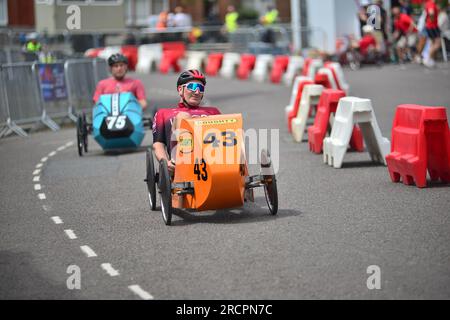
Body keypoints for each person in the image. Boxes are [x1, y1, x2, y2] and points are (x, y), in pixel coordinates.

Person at [152, 70, 221, 174]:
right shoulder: (164, 113)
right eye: (192, 87)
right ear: (180, 89)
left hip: (213, 158)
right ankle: (186, 161)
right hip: (182, 162)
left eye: (200, 88)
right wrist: (165, 162)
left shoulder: (213, 111)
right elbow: (158, 144)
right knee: (183, 117)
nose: (197, 92)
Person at [423, 0, 441, 68]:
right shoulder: (431, 3)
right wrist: (432, 21)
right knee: (437, 44)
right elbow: (431, 13)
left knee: (432, 43)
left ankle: (430, 59)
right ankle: (428, 58)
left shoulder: (428, 3)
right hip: (433, 26)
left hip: (430, 26)